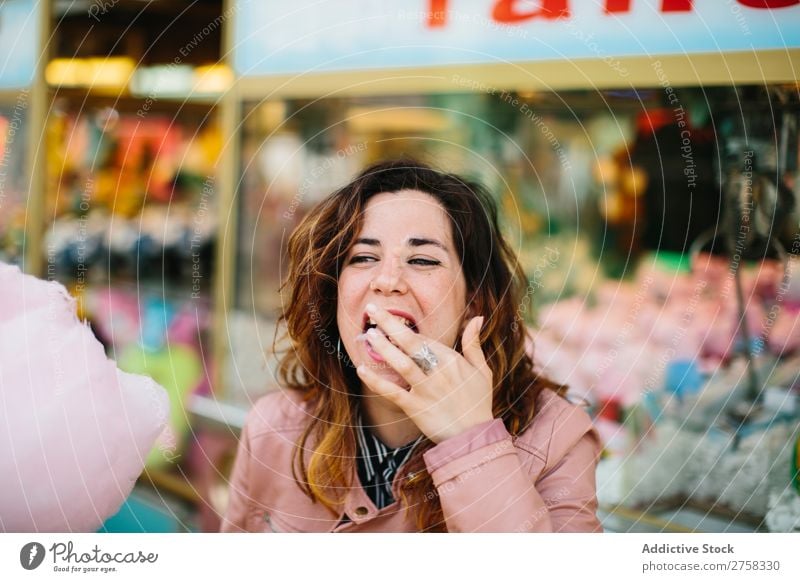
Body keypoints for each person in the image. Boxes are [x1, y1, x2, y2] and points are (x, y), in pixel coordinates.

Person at [221, 159, 602, 532]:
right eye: (364, 257)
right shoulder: (272, 428)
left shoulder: (557, 440)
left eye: (421, 259)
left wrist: (471, 442)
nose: (387, 280)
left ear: (475, 300)